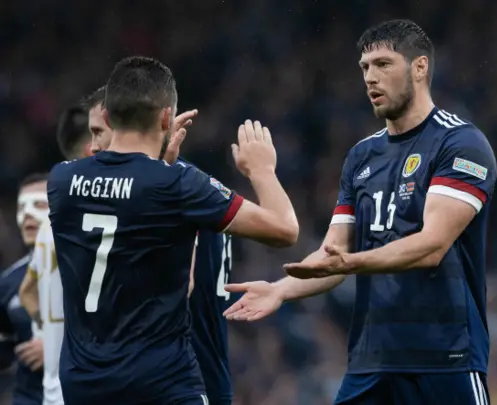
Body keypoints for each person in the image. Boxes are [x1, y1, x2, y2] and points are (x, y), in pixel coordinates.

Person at [224, 19, 497, 405]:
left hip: (445, 357)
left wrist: (349, 264)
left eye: (383, 64)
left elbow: (431, 246)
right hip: (372, 362)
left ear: (420, 67)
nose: (370, 77)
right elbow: (333, 253)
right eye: (365, 67)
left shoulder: (460, 143)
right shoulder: (361, 157)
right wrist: (281, 290)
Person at [47, 56, 298, 405]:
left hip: (83, 384)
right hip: (160, 384)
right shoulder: (178, 184)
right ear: (167, 117)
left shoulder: (61, 181)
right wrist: (262, 170)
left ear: (106, 116)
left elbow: (127, 202)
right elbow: (284, 229)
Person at [83, 85, 239, 405]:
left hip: (175, 383)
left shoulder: (174, 191)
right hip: (199, 375)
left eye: (99, 132)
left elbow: (182, 286)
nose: (91, 147)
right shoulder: (189, 185)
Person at [19, 106, 92, 405]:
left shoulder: (51, 227)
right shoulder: (93, 220)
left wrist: (47, 332)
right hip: (90, 385)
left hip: (53, 391)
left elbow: (27, 293)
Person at [0, 173, 48, 405]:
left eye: (39, 204)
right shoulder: (8, 283)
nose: (27, 214)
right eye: (21, 207)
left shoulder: (93, 274)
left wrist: (61, 352)